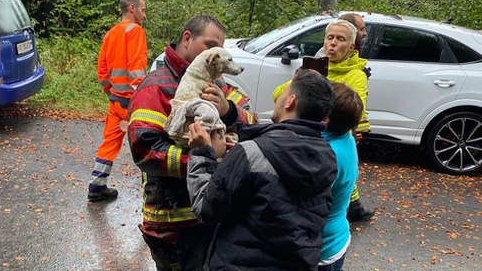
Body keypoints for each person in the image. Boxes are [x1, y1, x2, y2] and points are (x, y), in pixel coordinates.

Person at [127, 14, 258, 270]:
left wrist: (228, 110)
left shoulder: (217, 83)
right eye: (210, 45)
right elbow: (145, 150)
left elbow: (251, 123)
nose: (215, 54)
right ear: (187, 38)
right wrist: (204, 156)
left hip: (214, 216)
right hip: (177, 224)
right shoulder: (155, 88)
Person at [186, 69, 337, 270]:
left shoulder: (250, 154)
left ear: (290, 101)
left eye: (283, 93)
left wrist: (202, 153)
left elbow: (206, 208)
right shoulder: (327, 155)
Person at [273, 17, 374, 222]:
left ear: (351, 46)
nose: (333, 43)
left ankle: (346, 208)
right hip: (309, 133)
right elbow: (278, 97)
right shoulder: (314, 68)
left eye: (340, 39)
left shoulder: (356, 74)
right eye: (330, 38)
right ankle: (350, 206)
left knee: (338, 175)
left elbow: (355, 105)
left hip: (337, 133)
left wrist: (316, 92)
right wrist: (298, 80)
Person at [88, 0, 148, 202]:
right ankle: (152, 191)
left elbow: (102, 71)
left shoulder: (110, 34)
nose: (144, 14)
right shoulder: (135, 31)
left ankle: (96, 186)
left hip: (115, 102)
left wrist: (111, 93)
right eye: (143, 9)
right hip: (133, 103)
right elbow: (136, 70)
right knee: (147, 143)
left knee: (109, 143)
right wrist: (143, 98)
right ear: (132, 8)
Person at [319, 82, 364, 271]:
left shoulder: (328, 155)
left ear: (326, 118)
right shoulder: (347, 138)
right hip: (338, 237)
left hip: (322, 247)